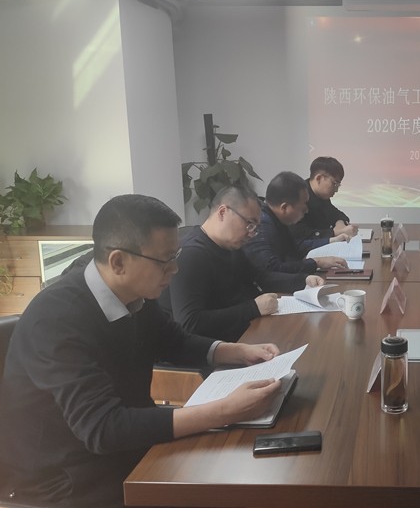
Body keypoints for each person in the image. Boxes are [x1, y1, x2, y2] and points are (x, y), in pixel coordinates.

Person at [0, 194, 285, 508]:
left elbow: (173, 340)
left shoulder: (135, 291)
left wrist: (238, 352)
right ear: (118, 262)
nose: (175, 269)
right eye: (165, 260)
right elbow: (103, 429)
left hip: (126, 447)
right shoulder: (55, 320)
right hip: (61, 481)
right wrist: (224, 411)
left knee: (235, 471)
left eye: (175, 255)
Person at [161, 185, 323, 342]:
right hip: (210, 348)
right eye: (249, 224)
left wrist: (303, 280)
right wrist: (253, 308)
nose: (251, 234)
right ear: (223, 212)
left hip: (240, 334)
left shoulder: (230, 246)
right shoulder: (191, 255)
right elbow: (189, 323)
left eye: (255, 228)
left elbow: (259, 277)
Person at [244, 171, 349, 275]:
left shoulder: (276, 218)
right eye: (303, 204)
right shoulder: (262, 225)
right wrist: (316, 263)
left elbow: (295, 247)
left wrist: (331, 241)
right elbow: (271, 268)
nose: (306, 210)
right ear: (285, 207)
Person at [290, 156, 358, 244]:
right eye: (335, 184)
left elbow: (336, 214)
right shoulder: (296, 197)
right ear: (319, 178)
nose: (336, 190)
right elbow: (299, 234)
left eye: (338, 185)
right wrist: (334, 233)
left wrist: (340, 224)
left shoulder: (321, 195)